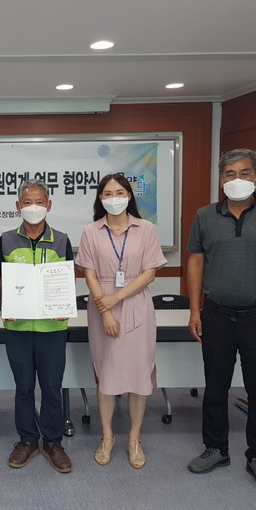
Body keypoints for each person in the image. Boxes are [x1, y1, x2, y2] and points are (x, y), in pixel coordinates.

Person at [186, 149, 256, 495]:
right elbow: (195, 262)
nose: (237, 180)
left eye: (245, 173)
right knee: (215, 387)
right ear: (221, 178)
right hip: (216, 315)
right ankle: (216, 449)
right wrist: (194, 310)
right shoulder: (205, 216)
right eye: (229, 173)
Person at [75, 173, 166, 469]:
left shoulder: (146, 229)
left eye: (119, 193)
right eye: (108, 194)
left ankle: (134, 438)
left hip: (136, 303)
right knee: (107, 373)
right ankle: (108, 436)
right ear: (100, 198)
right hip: (101, 304)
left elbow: (149, 273)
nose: (114, 198)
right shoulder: (91, 231)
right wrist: (106, 309)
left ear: (129, 196)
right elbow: (88, 273)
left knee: (139, 374)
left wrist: (117, 298)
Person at [0, 179, 73, 473]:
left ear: (49, 205)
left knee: (52, 387)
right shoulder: (5, 240)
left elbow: (66, 281)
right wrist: (5, 295)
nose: (33, 207)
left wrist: (63, 305)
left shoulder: (62, 240)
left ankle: (53, 442)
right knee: (24, 387)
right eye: (27, 203)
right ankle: (27, 439)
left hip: (52, 328)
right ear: (18, 206)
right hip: (19, 328)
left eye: (39, 202)